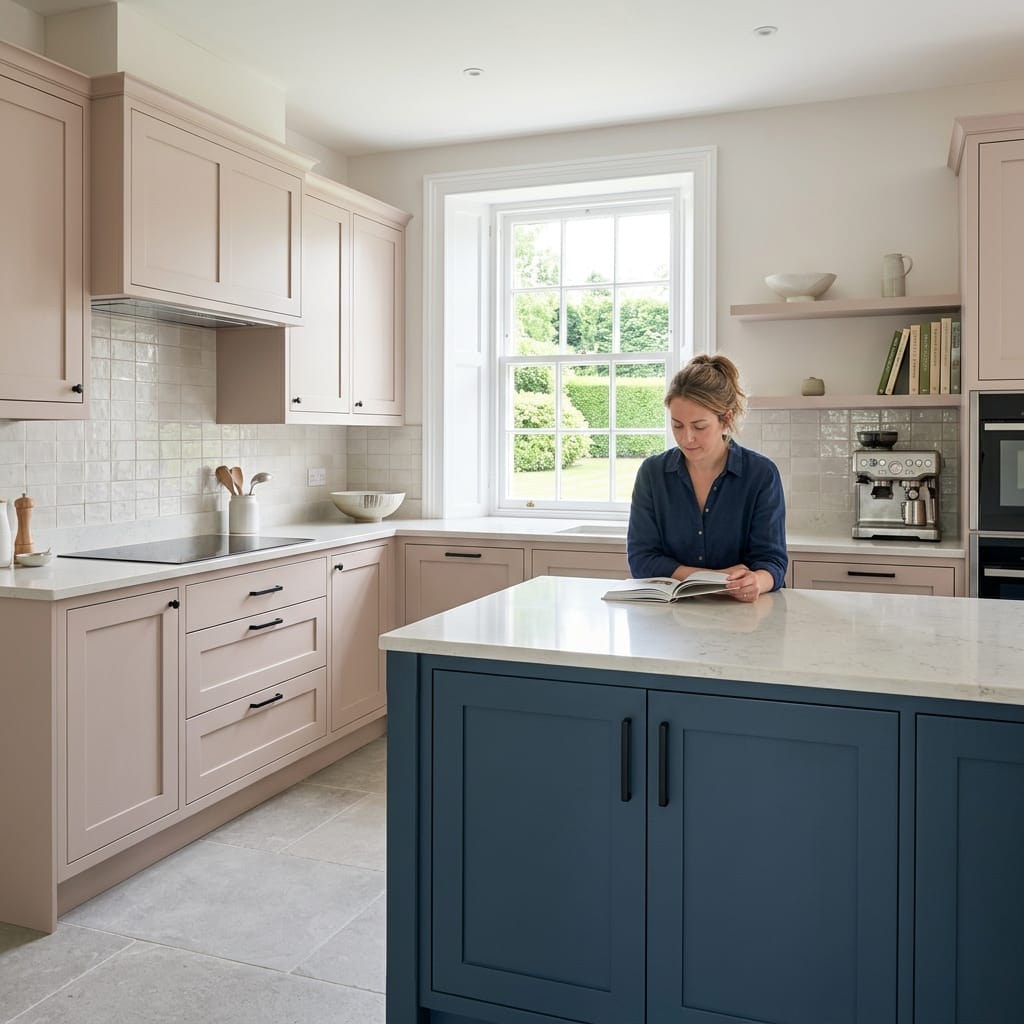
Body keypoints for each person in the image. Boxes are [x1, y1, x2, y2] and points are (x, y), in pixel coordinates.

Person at [627, 354, 787, 602]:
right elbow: (642, 560)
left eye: (699, 426)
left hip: (744, 613)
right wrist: (714, 579)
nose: (687, 438)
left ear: (726, 419)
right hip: (671, 615)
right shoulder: (652, 473)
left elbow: (772, 562)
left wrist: (756, 582)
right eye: (677, 425)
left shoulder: (761, 474)